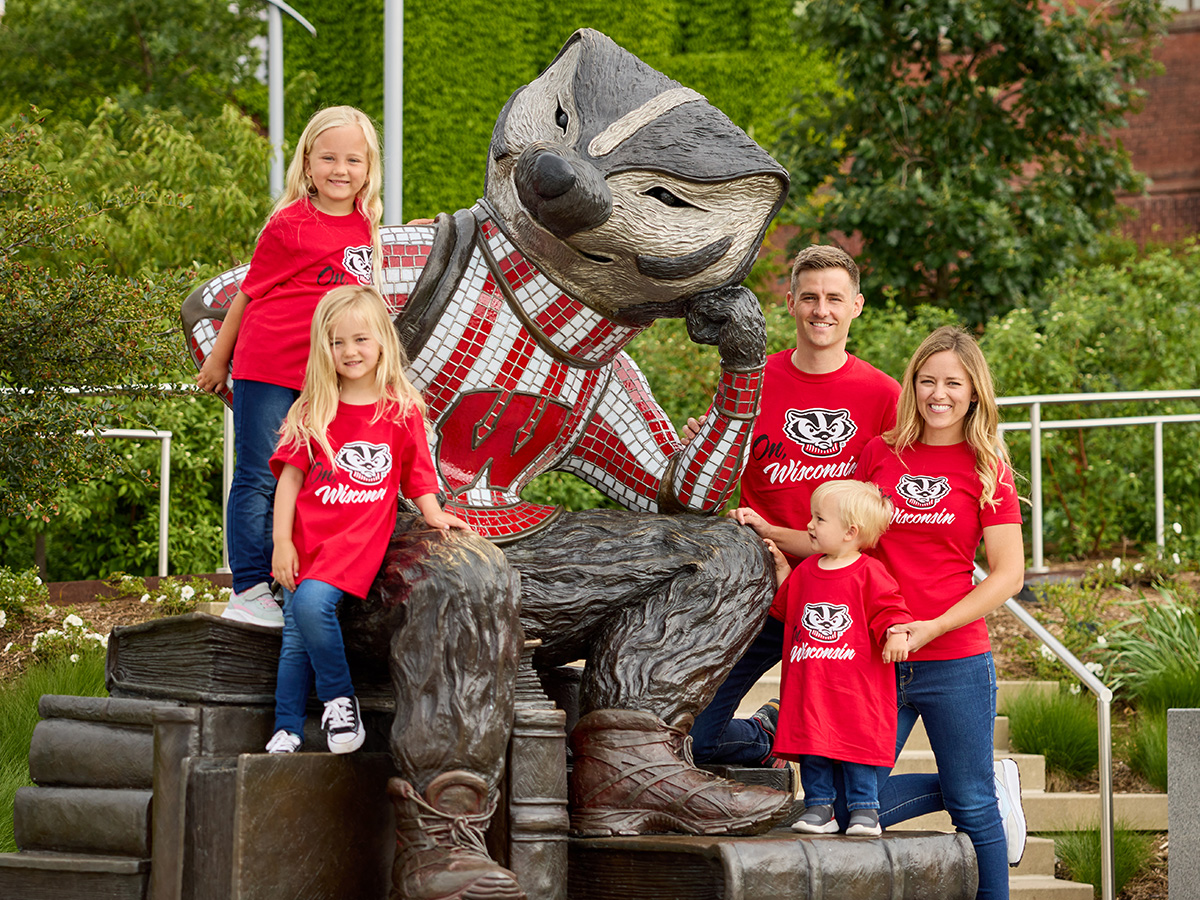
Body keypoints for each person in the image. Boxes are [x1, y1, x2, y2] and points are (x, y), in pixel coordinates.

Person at [688, 244, 901, 766]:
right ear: (789, 302)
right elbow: (713, 471)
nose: (821, 310)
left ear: (857, 305)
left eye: (834, 298)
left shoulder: (883, 395)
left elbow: (888, 514)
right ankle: (770, 728)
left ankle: (799, 748)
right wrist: (701, 447)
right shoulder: (754, 381)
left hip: (842, 597)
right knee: (697, 740)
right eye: (809, 297)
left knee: (838, 751)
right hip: (761, 585)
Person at [195, 106, 384, 628]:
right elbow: (247, 294)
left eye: (352, 159)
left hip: (323, 374)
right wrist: (218, 359)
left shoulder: (368, 225)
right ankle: (249, 589)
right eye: (328, 158)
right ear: (307, 162)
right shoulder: (289, 224)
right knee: (259, 472)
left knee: (308, 475)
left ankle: (295, 578)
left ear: (369, 168)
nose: (339, 169)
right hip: (269, 362)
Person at [264, 285, 472, 754]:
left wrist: (436, 514)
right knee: (296, 634)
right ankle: (287, 728)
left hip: (355, 542)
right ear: (324, 348)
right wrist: (282, 542)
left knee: (312, 606)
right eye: (336, 342)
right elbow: (289, 483)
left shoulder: (400, 411)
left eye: (359, 339)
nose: (349, 351)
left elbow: (417, 475)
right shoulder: (313, 407)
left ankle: (340, 699)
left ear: (381, 341)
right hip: (305, 540)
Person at [856, 325, 1026, 899]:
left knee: (974, 811)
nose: (939, 394)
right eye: (927, 380)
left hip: (955, 660)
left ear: (973, 391)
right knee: (857, 806)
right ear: (912, 385)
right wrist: (770, 535)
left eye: (953, 382)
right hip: (879, 656)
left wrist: (933, 626)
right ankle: (979, 782)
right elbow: (847, 539)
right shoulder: (881, 452)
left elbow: (1007, 574)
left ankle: (979, 788)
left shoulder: (988, 466)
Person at [763, 479, 911, 838]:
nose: (809, 525)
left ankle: (865, 810)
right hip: (810, 687)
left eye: (819, 519)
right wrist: (783, 568)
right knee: (813, 746)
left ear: (850, 532)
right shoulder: (807, 571)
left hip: (854, 690)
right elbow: (788, 608)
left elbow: (890, 609)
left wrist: (896, 632)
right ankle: (819, 808)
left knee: (856, 746)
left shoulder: (869, 573)